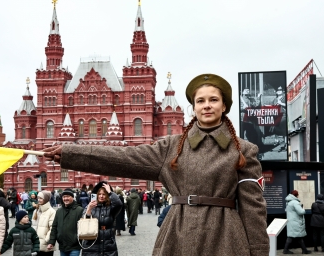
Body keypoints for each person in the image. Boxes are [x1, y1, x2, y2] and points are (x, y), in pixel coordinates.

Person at [44, 73, 269, 255]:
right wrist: (70, 153)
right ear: (194, 107)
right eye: (200, 101)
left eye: (213, 100)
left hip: (226, 236)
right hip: (178, 234)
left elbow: (253, 209)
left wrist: (259, 252)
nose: (206, 106)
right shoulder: (171, 147)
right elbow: (123, 158)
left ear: (224, 106)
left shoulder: (244, 150)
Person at [80, 181, 122, 255]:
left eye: (104, 194)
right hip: (92, 242)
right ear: (96, 195)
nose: (101, 196)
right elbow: (85, 221)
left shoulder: (111, 208)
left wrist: (110, 192)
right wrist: (89, 209)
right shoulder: (90, 206)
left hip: (108, 242)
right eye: (99, 194)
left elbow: (118, 204)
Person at [47, 188, 83, 256]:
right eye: (64, 197)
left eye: (68, 196)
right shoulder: (59, 211)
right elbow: (54, 227)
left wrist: (76, 238)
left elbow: (83, 227)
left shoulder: (79, 210)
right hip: (62, 246)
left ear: (72, 197)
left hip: (74, 246)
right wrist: (51, 242)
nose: (65, 198)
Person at [283, 190, 311, 254]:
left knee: (296, 236)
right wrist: (303, 209)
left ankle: (304, 250)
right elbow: (301, 212)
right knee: (294, 236)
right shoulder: (295, 202)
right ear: (296, 195)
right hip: (296, 221)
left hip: (291, 221)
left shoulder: (288, 202)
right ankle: (286, 250)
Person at [32, 190, 56, 256]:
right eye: (38, 198)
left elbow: (52, 228)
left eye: (41, 198)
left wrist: (46, 240)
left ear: (46, 199)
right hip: (35, 244)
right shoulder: (36, 210)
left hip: (46, 245)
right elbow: (33, 226)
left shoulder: (51, 212)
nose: (38, 200)